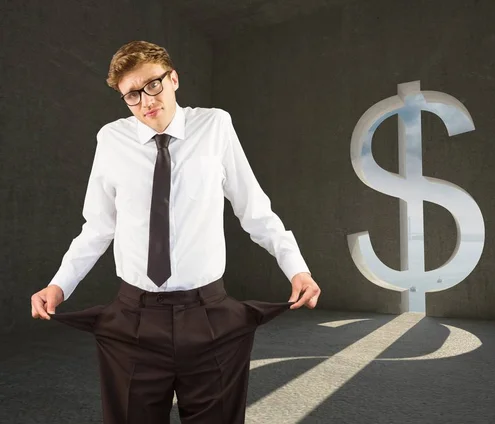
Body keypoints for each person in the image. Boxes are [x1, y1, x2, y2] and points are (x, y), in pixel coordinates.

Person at [30, 40, 321, 424]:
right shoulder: (111, 140)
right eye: (131, 95)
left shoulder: (215, 125)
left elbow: (253, 209)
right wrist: (59, 285)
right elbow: (99, 226)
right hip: (134, 320)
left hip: (209, 316)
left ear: (174, 79)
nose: (146, 102)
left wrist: (296, 267)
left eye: (152, 85)